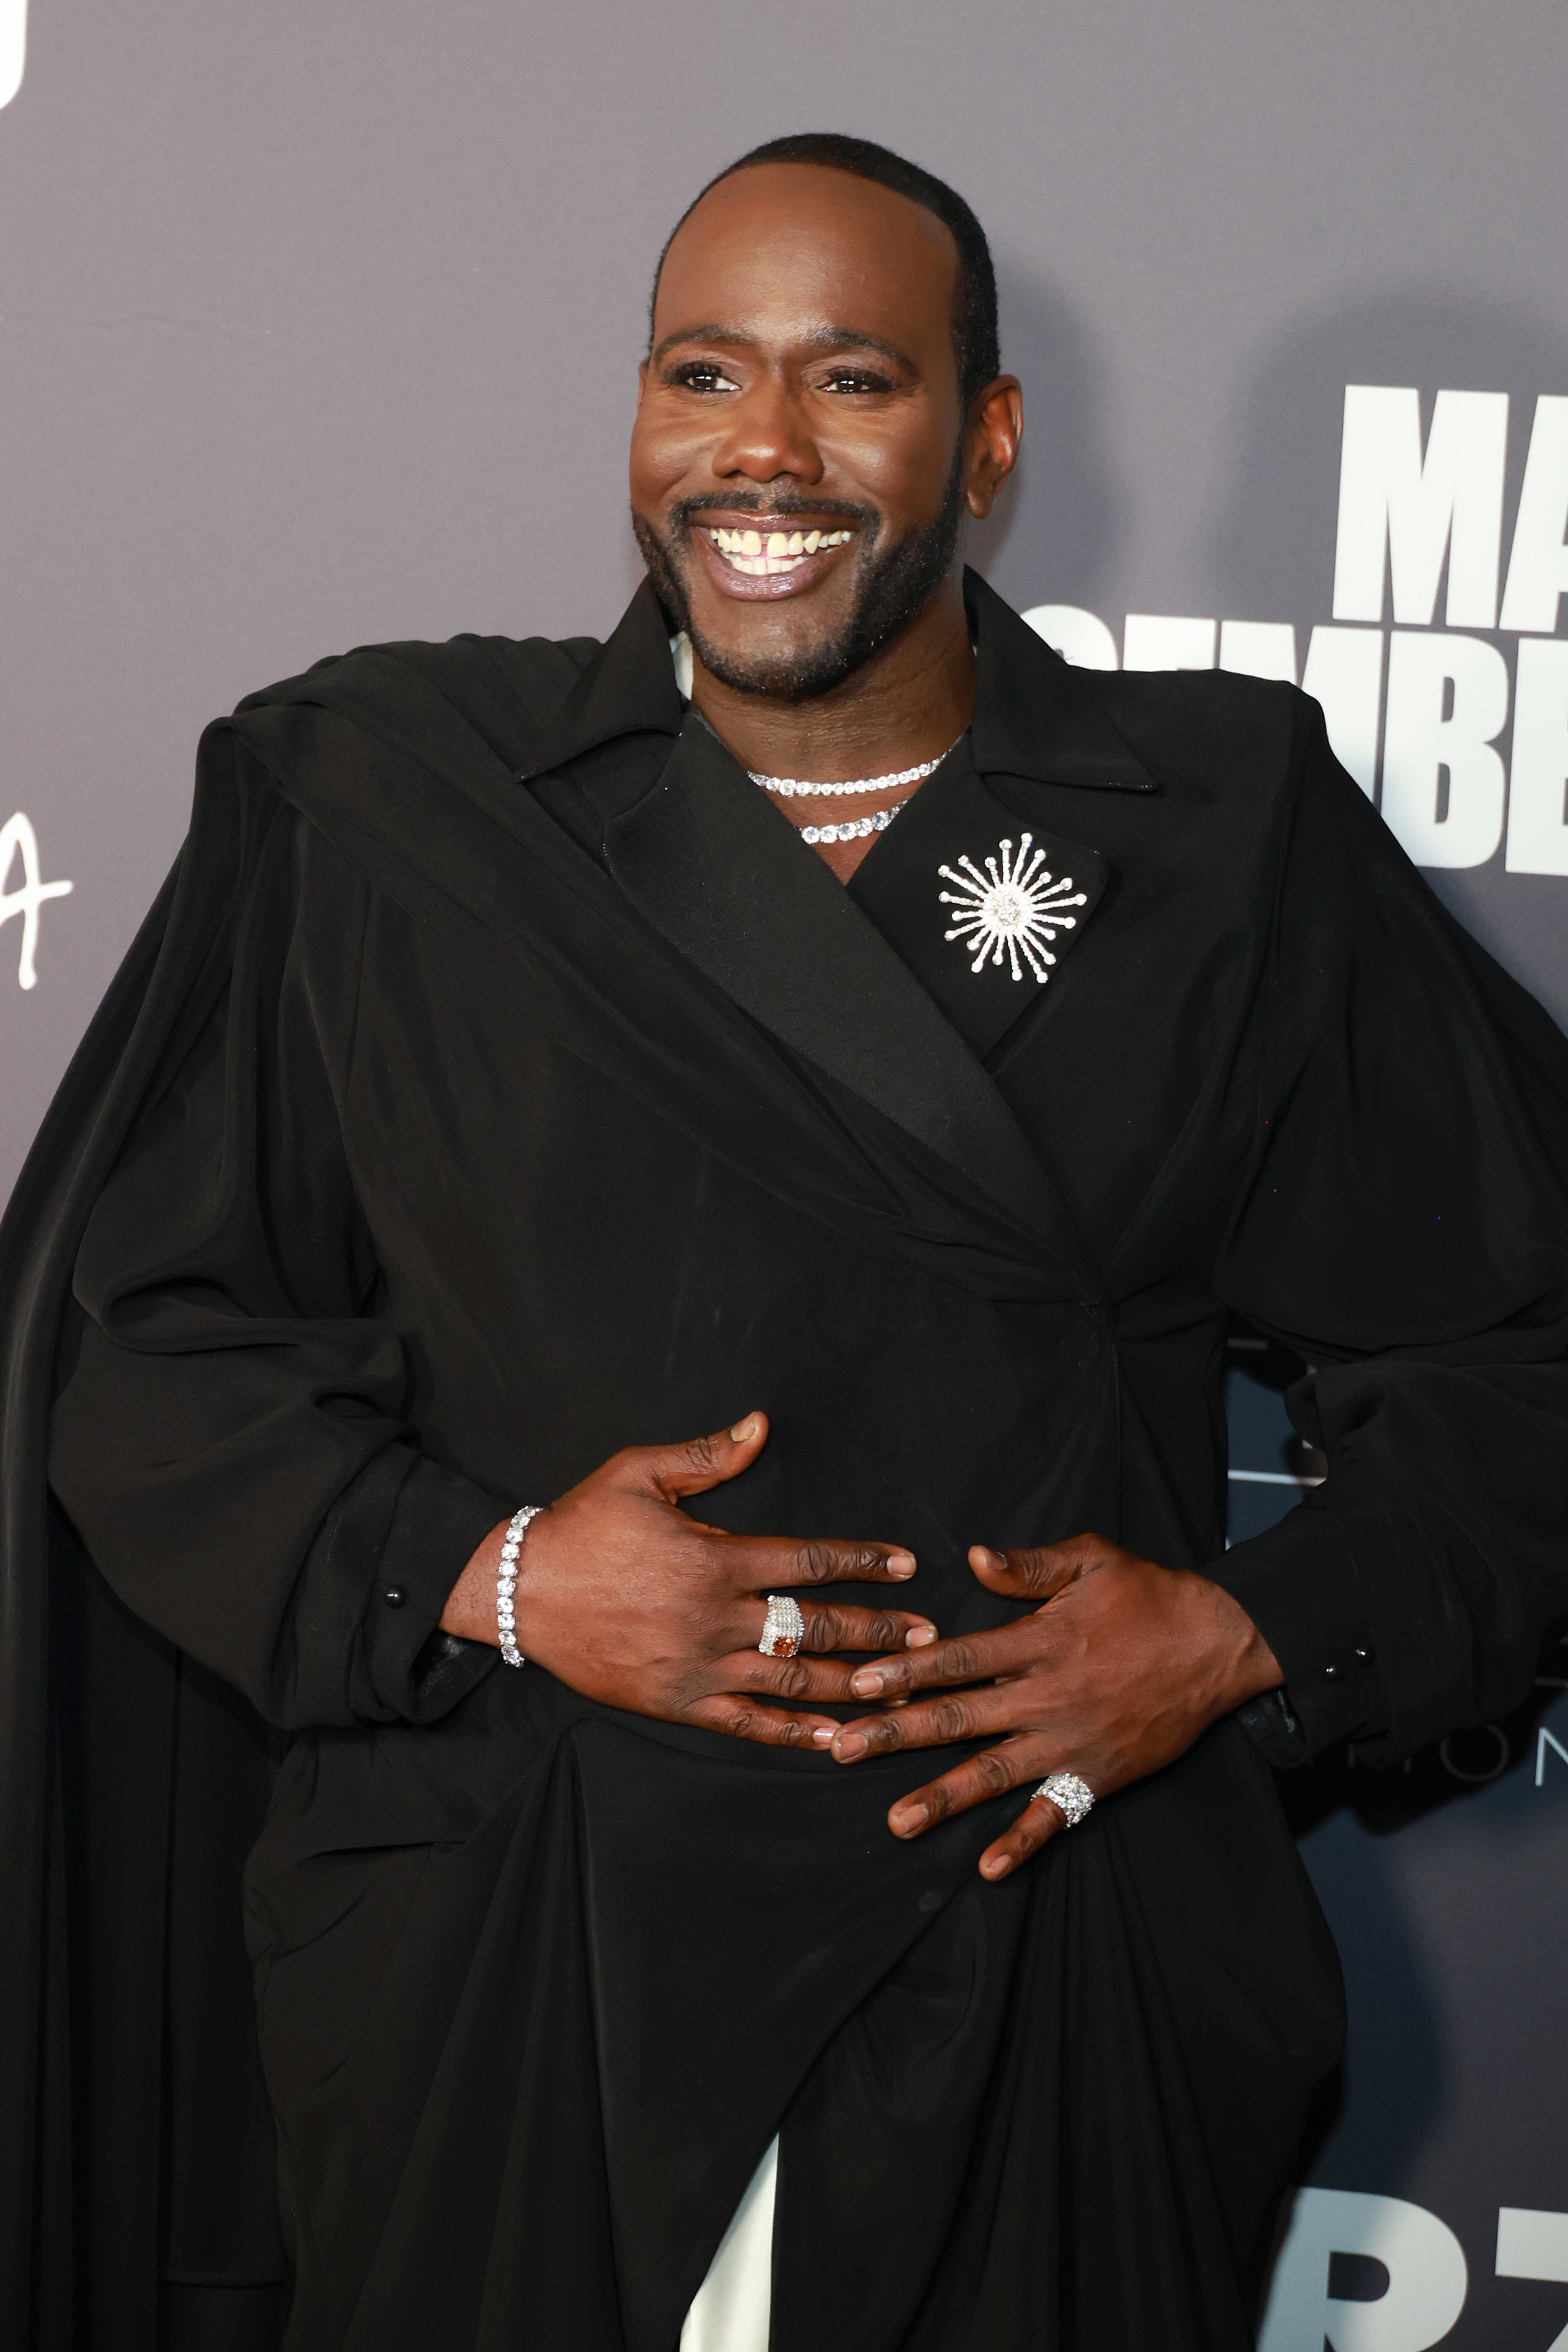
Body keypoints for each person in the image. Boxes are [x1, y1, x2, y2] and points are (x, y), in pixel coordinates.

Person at [3, 130, 1567, 2352]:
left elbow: (1526, 1341)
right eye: (701, 373)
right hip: (514, 1969)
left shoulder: (1220, 830)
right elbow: (149, 1345)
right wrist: (513, 1575)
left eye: (853, 380)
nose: (763, 450)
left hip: (1040, 1968)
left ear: (987, 437)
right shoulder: (385, 806)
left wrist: (1240, 1636)